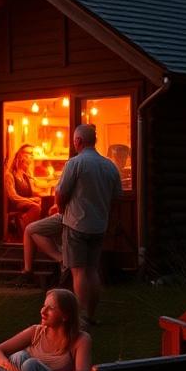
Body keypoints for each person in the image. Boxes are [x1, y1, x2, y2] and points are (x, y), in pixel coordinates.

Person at [55, 123, 122, 327]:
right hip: (99, 226)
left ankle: (82, 317)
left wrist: (60, 209)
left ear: (78, 141)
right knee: (92, 270)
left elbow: (60, 192)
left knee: (79, 272)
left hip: (76, 224)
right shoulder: (110, 166)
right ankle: (91, 315)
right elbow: (117, 198)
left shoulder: (75, 164)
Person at [16, 202, 64, 288]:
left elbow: (62, 193)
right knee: (36, 210)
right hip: (80, 216)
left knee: (29, 229)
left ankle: (28, 271)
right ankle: (60, 262)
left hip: (68, 216)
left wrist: (58, 206)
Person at [4, 144, 42, 237]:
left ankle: (33, 232)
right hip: (16, 205)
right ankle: (27, 233)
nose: (32, 157)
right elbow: (13, 197)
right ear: (21, 157)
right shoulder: (9, 175)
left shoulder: (26, 176)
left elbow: (34, 191)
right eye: (30, 153)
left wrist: (40, 194)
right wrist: (31, 200)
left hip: (26, 204)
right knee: (35, 206)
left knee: (42, 202)